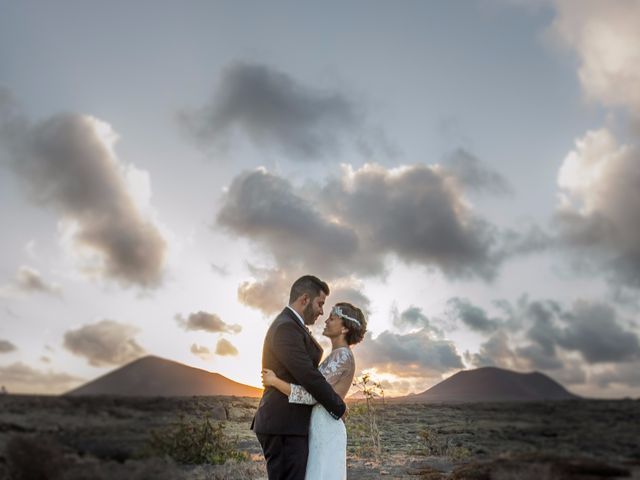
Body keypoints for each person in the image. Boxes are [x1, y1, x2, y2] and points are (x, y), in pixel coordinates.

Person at [251, 275, 347, 480]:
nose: (322, 311)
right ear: (304, 299)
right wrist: (338, 406)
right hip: (283, 423)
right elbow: (308, 375)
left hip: (290, 424)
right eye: (320, 303)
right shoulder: (286, 328)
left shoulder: (291, 325)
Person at [262, 301, 367, 480]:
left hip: (326, 428)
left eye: (332, 318)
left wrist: (275, 382)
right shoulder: (337, 354)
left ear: (344, 329)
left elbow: (312, 395)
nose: (326, 321)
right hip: (319, 425)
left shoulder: (342, 356)